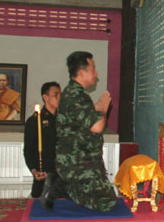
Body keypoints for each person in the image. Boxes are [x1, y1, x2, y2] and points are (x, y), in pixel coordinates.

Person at [43, 51, 117, 211]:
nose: (96, 74)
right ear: (82, 72)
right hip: (79, 162)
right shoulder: (77, 95)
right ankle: (61, 186)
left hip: (82, 159)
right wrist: (103, 110)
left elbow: (80, 120)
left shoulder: (73, 93)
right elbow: (97, 127)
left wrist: (96, 109)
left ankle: (66, 183)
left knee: (104, 199)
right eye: (93, 69)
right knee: (106, 203)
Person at [23, 82, 61, 198]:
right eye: (56, 95)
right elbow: (28, 150)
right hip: (45, 172)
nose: (59, 98)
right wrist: (34, 171)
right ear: (45, 97)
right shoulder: (35, 121)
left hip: (62, 173)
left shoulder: (63, 119)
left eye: (60, 94)